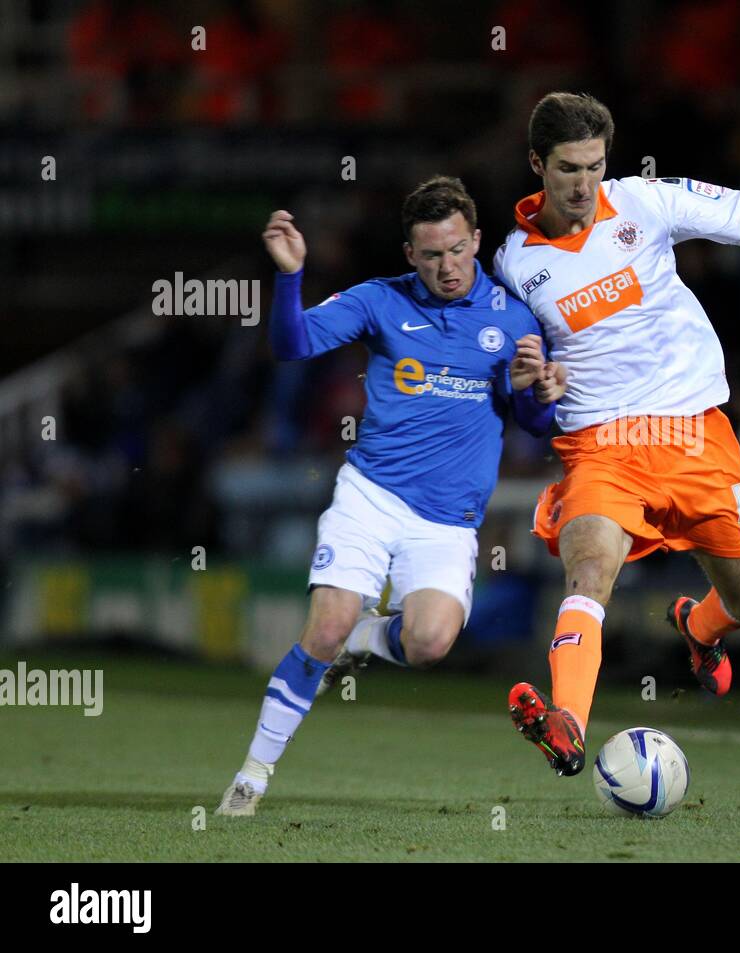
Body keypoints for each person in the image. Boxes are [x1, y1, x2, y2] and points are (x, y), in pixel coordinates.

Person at [492, 92, 740, 776]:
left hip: (694, 431)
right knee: (590, 570)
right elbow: (513, 377)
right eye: (566, 169)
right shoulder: (514, 264)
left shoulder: (646, 200)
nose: (583, 183)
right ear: (537, 165)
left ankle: (699, 628)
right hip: (600, 443)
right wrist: (531, 383)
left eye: (593, 165)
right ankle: (569, 724)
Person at [216, 176, 566, 815]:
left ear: (477, 241)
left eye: (458, 250)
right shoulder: (380, 301)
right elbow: (292, 345)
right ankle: (252, 776)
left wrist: (533, 392)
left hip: (448, 521)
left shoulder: (513, 317)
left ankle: (363, 639)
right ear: (410, 253)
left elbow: (536, 426)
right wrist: (292, 276)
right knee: (324, 627)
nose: (447, 267)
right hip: (371, 498)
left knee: (431, 642)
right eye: (431, 255)